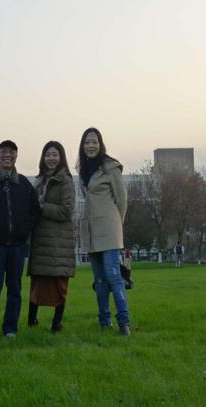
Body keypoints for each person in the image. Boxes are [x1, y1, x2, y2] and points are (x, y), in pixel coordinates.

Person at [0, 140, 41, 343]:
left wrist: (25, 228)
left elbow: (35, 211)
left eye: (11, 152)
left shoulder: (23, 184)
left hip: (18, 245)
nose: (7, 156)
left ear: (16, 156)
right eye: (4, 152)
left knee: (15, 289)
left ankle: (10, 328)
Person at [77, 127, 131, 336]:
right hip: (91, 231)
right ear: (82, 146)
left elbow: (122, 200)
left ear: (100, 144)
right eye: (87, 142)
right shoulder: (83, 170)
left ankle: (124, 321)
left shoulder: (111, 167)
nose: (91, 146)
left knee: (113, 275)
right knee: (99, 280)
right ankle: (104, 320)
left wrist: (117, 225)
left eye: (94, 142)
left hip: (109, 230)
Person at [27, 141, 75, 333]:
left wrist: (42, 207)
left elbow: (67, 210)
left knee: (59, 284)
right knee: (37, 282)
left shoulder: (66, 180)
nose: (51, 158)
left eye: (55, 154)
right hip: (40, 239)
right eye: (48, 154)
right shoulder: (39, 180)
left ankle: (56, 323)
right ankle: (31, 321)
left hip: (58, 242)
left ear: (61, 157)